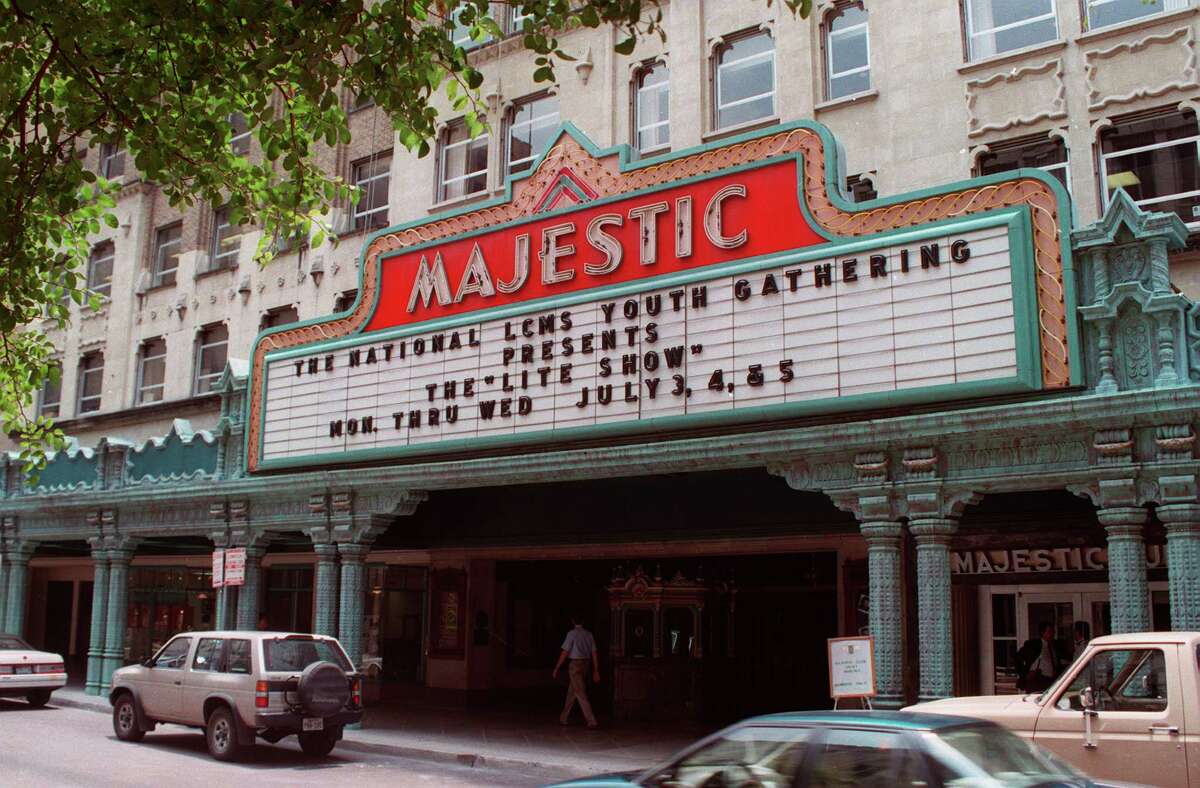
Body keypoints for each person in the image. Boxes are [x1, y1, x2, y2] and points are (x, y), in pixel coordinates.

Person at [552, 614, 600, 728]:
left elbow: (565, 652)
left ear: (572, 621)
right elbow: (594, 653)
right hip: (586, 665)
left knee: (580, 693)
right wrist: (596, 670)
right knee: (572, 692)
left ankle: (591, 720)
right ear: (583, 621)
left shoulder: (571, 634)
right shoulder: (589, 634)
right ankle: (563, 718)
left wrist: (557, 667)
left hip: (575, 665)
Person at [1017, 622, 1061, 692]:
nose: (1052, 634)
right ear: (1042, 633)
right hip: (1037, 679)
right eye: (1049, 632)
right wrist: (1025, 674)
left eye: (1053, 632)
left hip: (1052, 680)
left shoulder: (1055, 645)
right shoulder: (1033, 645)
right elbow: (1018, 658)